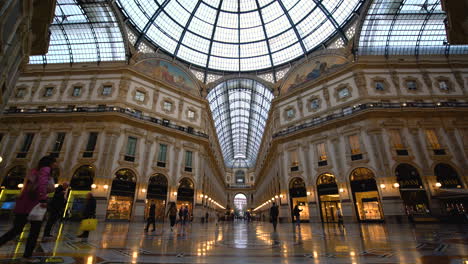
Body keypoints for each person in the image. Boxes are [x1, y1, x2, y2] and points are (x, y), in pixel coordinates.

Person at [0, 155, 57, 262]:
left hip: (23, 205)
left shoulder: (34, 171)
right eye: (54, 162)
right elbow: (42, 184)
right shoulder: (46, 170)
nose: (56, 164)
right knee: (34, 232)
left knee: (16, 230)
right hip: (34, 206)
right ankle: (27, 256)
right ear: (49, 163)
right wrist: (43, 199)